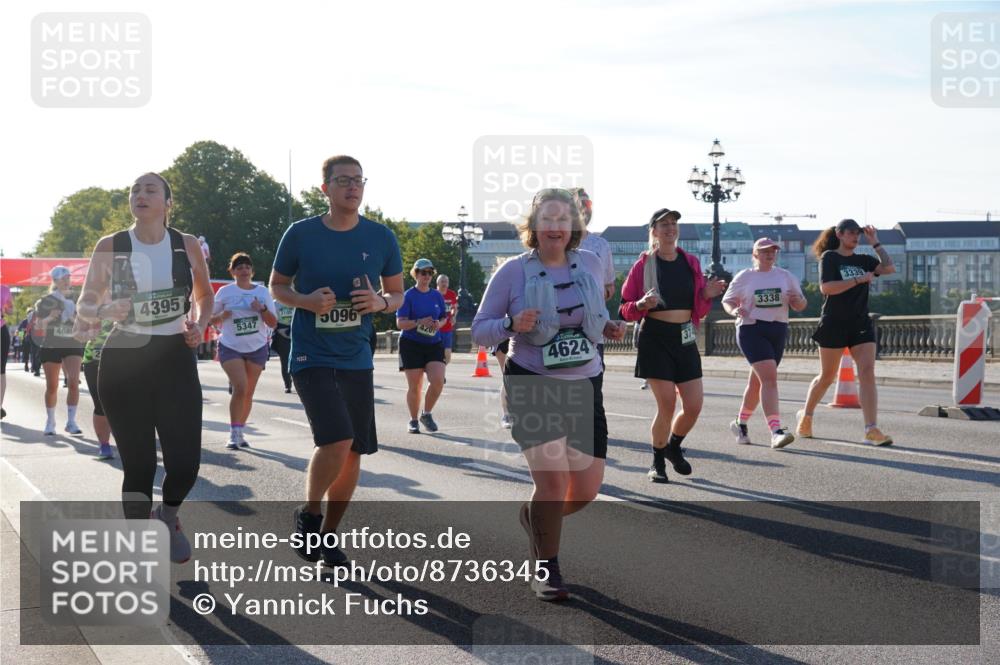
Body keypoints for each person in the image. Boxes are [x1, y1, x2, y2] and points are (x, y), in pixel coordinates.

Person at [472, 187, 626, 601]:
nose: (555, 226)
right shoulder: (512, 272)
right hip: (532, 382)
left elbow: (594, 314)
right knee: (554, 483)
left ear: (574, 225)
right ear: (534, 225)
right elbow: (479, 329)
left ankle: (535, 517)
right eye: (547, 218)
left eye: (563, 219)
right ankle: (546, 567)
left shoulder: (590, 262)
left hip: (585, 384)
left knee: (586, 490)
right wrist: (511, 324)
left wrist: (608, 327)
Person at [270, 155, 403, 567]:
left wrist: (380, 303)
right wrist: (306, 301)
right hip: (311, 353)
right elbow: (277, 286)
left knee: (353, 452)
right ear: (325, 188)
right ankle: (310, 513)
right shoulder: (301, 233)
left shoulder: (381, 237)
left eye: (358, 180)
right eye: (343, 180)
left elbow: (397, 294)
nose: (353, 186)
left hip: (356, 354)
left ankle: (328, 535)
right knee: (337, 439)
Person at [77, 172, 213, 563]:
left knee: (185, 465)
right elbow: (85, 304)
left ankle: (167, 516)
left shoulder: (185, 244)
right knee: (138, 467)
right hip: (125, 359)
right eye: (135, 190)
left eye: (151, 189)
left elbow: (204, 295)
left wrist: (200, 324)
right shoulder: (112, 245)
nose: (141, 194)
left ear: (168, 203)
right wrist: (104, 309)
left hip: (175, 357)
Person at [620, 208, 727, 483]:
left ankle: (673, 446)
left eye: (673, 223)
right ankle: (657, 462)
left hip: (685, 337)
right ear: (654, 231)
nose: (670, 228)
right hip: (655, 338)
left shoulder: (689, 262)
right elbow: (624, 308)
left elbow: (698, 309)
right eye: (664, 224)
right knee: (666, 404)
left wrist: (707, 294)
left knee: (694, 406)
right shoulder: (643, 265)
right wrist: (640, 304)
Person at [796, 219, 896, 445]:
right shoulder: (830, 257)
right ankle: (806, 416)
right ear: (839, 234)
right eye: (851, 232)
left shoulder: (864, 260)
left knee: (867, 372)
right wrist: (859, 279)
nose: (855, 237)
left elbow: (889, 268)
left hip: (860, 323)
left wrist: (875, 243)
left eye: (858, 233)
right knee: (827, 376)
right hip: (834, 322)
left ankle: (871, 429)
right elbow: (827, 288)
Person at [721, 237, 807, 448]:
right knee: (770, 379)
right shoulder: (745, 276)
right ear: (755, 254)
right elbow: (727, 300)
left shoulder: (786, 276)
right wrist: (734, 310)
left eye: (773, 251)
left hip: (778, 329)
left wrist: (797, 301)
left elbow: (800, 304)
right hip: (751, 329)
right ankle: (776, 432)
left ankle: (740, 423)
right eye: (765, 251)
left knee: (757, 383)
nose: (769, 254)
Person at [212, 252, 278, 449]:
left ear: (252, 271)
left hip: (257, 347)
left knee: (248, 392)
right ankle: (233, 433)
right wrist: (222, 316)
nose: (244, 270)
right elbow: (209, 319)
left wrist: (262, 309)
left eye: (247, 267)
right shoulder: (224, 292)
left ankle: (240, 431)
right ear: (232, 271)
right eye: (239, 267)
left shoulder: (262, 292)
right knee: (240, 387)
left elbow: (273, 323)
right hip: (231, 346)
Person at [396, 259, 448, 434]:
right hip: (411, 344)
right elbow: (400, 323)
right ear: (415, 274)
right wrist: (419, 322)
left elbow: (444, 317)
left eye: (430, 273)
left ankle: (426, 414)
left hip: (433, 343)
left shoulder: (436, 296)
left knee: (438, 380)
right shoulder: (408, 296)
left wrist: (439, 324)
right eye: (423, 272)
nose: (427, 276)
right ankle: (413, 420)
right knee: (415, 385)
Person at [35, 266, 85, 435]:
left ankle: (71, 422)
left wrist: (74, 318)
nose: (66, 281)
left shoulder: (77, 298)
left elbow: (84, 321)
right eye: (63, 278)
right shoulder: (46, 300)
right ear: (55, 281)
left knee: (73, 382)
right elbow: (38, 325)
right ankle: (50, 421)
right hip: (52, 344)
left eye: (68, 277)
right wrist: (50, 317)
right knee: (52, 386)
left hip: (72, 343)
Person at [78, 319, 116, 459]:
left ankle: (127, 442)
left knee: (123, 403)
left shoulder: (126, 304)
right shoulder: (88, 307)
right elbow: (77, 333)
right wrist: (89, 333)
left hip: (124, 356)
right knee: (101, 404)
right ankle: (104, 445)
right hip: (93, 358)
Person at [272, 299, 294, 393]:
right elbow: (272, 320)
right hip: (281, 335)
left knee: (299, 359)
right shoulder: (275, 303)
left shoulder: (296, 299)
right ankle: (287, 385)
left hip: (297, 333)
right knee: (285, 361)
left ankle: (300, 382)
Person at [436, 274, 458, 364]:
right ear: (437, 283)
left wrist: (453, 316)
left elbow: (454, 308)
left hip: (447, 328)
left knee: (447, 355)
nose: (444, 284)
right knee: (435, 353)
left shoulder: (451, 294)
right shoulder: (433, 294)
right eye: (442, 282)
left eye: (446, 282)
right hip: (435, 329)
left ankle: (441, 369)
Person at [1, 284, 11, 420]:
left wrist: (6, 309)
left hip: (1, 330)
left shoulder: (4, 289)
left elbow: (11, 310)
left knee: (1, 370)